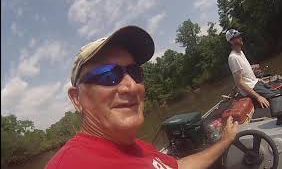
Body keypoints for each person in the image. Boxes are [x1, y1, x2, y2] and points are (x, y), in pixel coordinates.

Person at [46, 26, 238, 169]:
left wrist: (225, 141)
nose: (131, 86)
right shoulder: (70, 164)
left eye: (135, 72)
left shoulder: (139, 146)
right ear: (77, 99)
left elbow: (179, 166)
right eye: (108, 75)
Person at [226, 29, 279, 108]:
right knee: (278, 99)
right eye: (237, 37)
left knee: (278, 93)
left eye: (239, 36)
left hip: (256, 82)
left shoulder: (240, 52)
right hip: (252, 88)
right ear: (231, 41)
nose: (240, 38)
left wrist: (254, 73)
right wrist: (258, 97)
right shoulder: (233, 57)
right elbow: (239, 82)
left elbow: (243, 70)